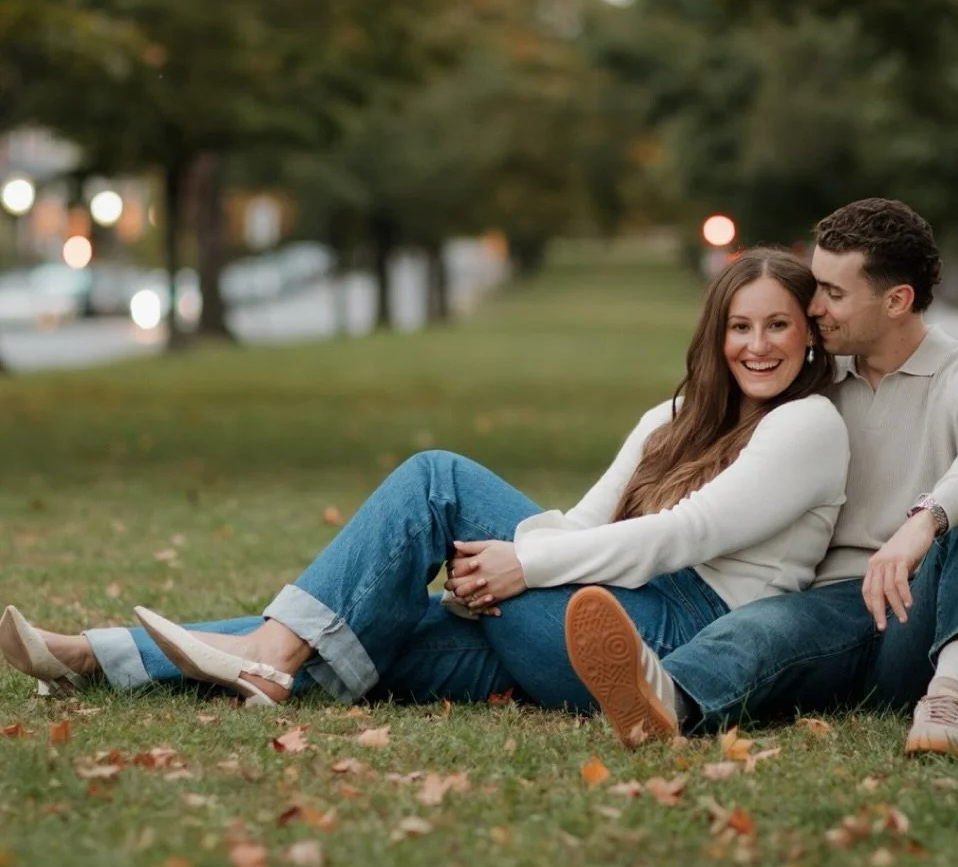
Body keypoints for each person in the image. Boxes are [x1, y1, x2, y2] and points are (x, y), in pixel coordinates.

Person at [1, 248, 849, 713]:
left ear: (809, 337)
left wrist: (524, 566)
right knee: (376, 622)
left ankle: (267, 650)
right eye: (741, 325)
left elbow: (687, 537)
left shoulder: (809, 425)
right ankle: (97, 656)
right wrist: (505, 564)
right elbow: (583, 517)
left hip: (666, 643)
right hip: (574, 619)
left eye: (779, 324)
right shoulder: (673, 422)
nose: (758, 344)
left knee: (437, 476)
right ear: (717, 333)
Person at [562, 199, 958, 760]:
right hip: (831, 616)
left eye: (834, 294)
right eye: (815, 285)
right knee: (763, 627)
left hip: (926, 623)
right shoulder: (812, 375)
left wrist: (924, 521)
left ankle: (950, 699)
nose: (814, 306)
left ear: (897, 301)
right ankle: (668, 698)